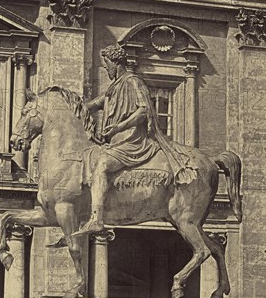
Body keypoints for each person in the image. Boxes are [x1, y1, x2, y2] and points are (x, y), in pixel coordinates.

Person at [73, 44, 196, 236]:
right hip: (116, 143)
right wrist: (72, 108)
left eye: (107, 65)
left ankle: (96, 218)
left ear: (116, 62)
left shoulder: (133, 82)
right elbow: (97, 103)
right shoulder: (114, 88)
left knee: (102, 164)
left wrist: (119, 126)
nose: (106, 69)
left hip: (133, 142)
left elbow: (144, 110)